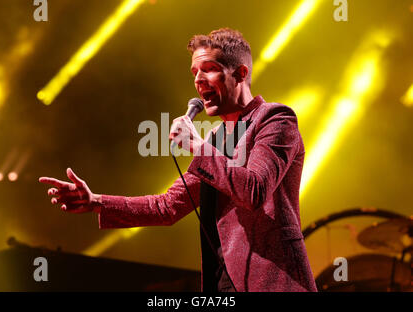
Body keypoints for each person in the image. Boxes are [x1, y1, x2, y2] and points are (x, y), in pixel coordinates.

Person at [39, 28, 317, 292]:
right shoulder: (216, 142)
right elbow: (167, 207)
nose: (197, 80)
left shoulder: (275, 119)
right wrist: (95, 202)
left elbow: (254, 190)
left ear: (241, 73)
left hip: (270, 280)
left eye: (208, 69)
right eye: (194, 72)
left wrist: (196, 144)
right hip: (222, 284)